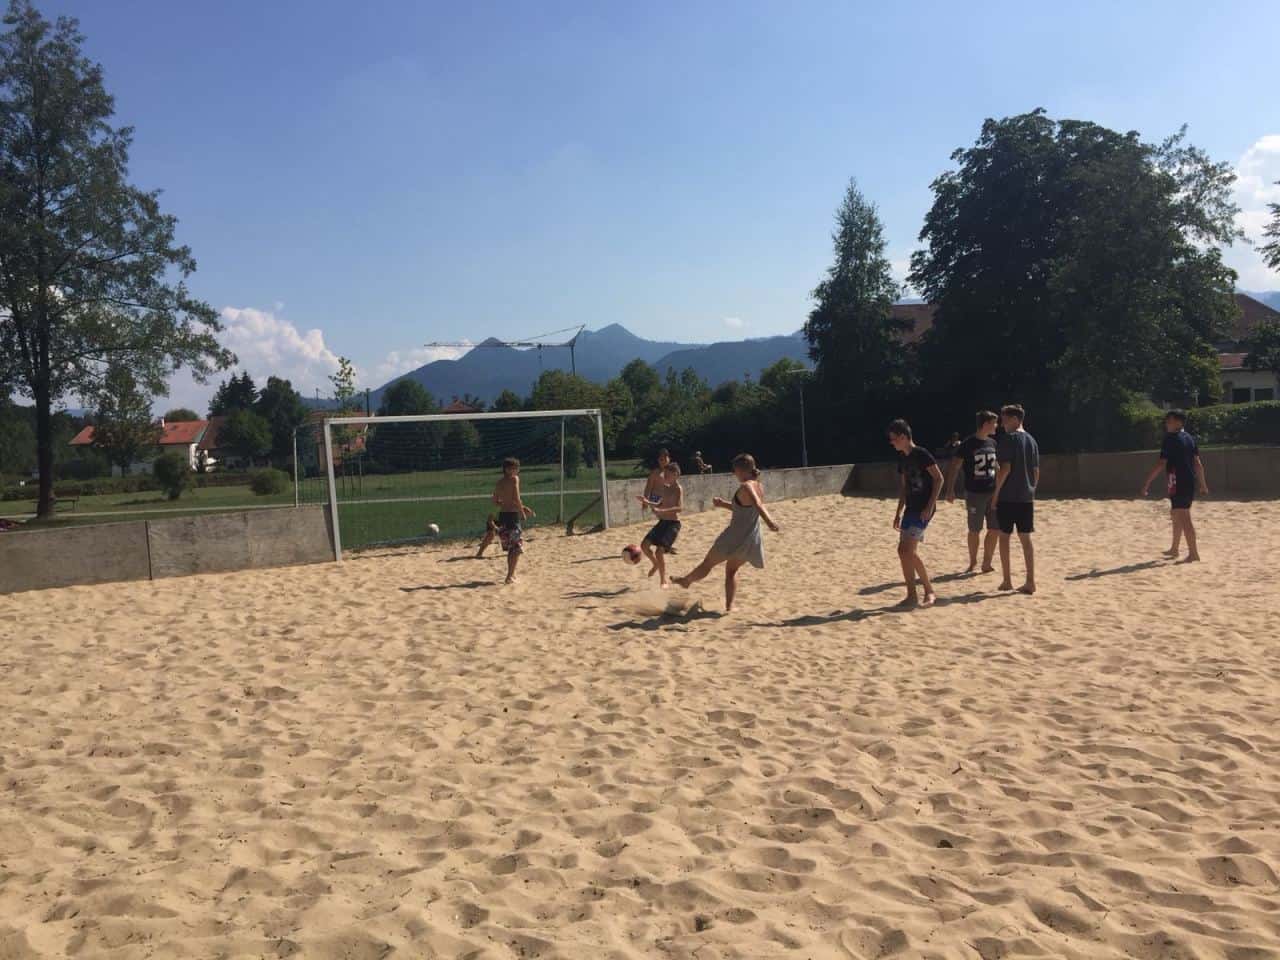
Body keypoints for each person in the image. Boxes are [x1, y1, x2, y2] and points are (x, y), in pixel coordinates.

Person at [672, 453, 779, 612]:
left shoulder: (746, 486)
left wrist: (770, 522)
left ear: (741, 470)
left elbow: (757, 504)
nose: (734, 474)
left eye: (735, 470)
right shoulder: (759, 485)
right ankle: (729, 607)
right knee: (731, 571)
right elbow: (744, 509)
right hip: (749, 540)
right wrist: (723, 504)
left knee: (707, 564)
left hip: (733, 537)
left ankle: (687, 581)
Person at [1140, 409, 1208, 562]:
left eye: (1169, 420)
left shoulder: (1170, 439)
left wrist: (1147, 482)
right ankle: (1174, 549)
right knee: (1176, 514)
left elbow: (1161, 463)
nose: (1166, 423)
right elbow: (1198, 464)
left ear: (1179, 422)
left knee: (1184, 516)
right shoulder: (1189, 438)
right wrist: (1203, 484)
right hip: (1183, 481)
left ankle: (1193, 554)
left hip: (1179, 481)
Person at [889, 419, 944, 608]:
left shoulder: (921, 454)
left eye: (894, 439)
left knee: (907, 551)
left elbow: (939, 479)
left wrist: (930, 506)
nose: (892, 442)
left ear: (904, 437)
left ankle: (929, 590)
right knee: (902, 551)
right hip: (910, 508)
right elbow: (904, 488)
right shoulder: (902, 458)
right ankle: (911, 595)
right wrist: (898, 512)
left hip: (923, 509)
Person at [990, 404, 1039, 595]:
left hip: (1008, 496)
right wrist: (1032, 490)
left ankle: (1007, 580)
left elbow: (1005, 469)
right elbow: (1036, 472)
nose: (1002, 424)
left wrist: (995, 495)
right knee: (1026, 538)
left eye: (1004, 419)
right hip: (1026, 497)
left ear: (1015, 419)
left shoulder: (1009, 439)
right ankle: (1030, 581)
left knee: (1004, 537)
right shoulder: (1032, 440)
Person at [945, 411, 1001, 573]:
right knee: (975, 529)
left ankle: (987, 563)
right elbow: (954, 467)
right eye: (993, 423)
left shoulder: (993, 443)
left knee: (995, 528)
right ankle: (973, 562)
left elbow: (996, 466)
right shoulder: (968, 444)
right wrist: (950, 490)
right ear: (985, 424)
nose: (996, 426)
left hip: (993, 492)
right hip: (975, 494)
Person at [637, 462, 684, 586]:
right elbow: (659, 505)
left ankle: (663, 580)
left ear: (675, 475)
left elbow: (679, 508)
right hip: (663, 522)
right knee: (644, 546)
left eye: (667, 474)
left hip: (673, 524)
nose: (665, 476)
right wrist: (646, 501)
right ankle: (655, 564)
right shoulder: (665, 488)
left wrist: (662, 510)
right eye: (665, 474)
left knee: (659, 552)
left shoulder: (678, 488)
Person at [491, 457, 535, 584]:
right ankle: (509, 576)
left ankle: (511, 574)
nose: (517, 471)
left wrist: (507, 504)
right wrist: (522, 512)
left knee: (511, 548)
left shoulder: (499, 482)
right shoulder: (514, 479)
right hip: (512, 516)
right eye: (516, 468)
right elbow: (516, 497)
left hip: (503, 516)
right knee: (515, 548)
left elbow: (494, 501)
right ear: (508, 469)